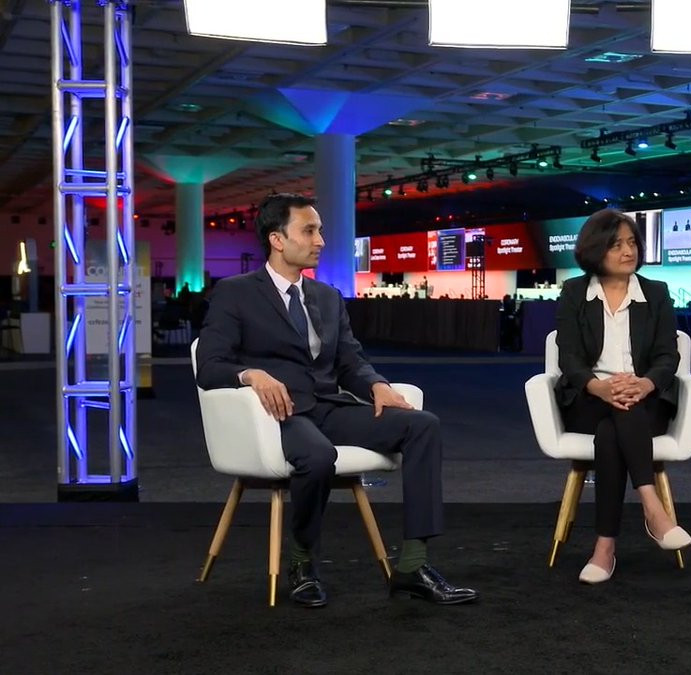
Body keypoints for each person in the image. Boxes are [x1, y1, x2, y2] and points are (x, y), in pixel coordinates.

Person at [194, 193, 478, 609]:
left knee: (422, 425)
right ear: (277, 239)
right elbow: (209, 366)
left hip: (329, 407)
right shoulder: (235, 293)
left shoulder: (327, 296)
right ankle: (302, 562)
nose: (321, 240)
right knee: (318, 456)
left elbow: (350, 361)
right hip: (278, 415)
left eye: (320, 230)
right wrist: (251, 374)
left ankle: (413, 566)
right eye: (309, 230)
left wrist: (376, 385)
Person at [554, 209, 691, 584]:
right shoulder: (574, 293)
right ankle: (652, 508)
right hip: (589, 398)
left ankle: (604, 548)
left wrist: (645, 384)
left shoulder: (656, 293)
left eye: (632, 242)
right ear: (595, 249)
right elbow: (569, 357)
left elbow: (668, 356)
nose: (628, 251)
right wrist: (598, 386)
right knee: (614, 415)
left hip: (644, 400)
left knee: (613, 428)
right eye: (616, 244)